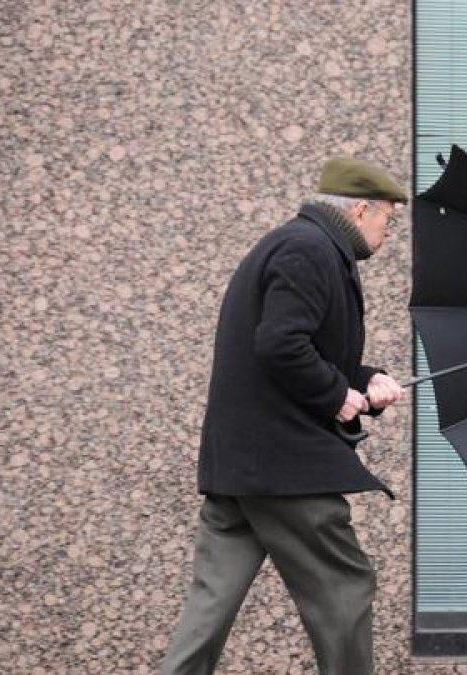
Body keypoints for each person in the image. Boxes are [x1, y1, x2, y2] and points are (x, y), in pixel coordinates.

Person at [160, 157, 407, 674]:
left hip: (243, 467)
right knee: (346, 584)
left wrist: (366, 381)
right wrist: (337, 395)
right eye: (388, 218)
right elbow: (279, 345)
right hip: (283, 466)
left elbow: (303, 350)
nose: (389, 230)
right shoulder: (308, 249)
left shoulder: (306, 246)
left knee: (211, 604)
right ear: (360, 209)